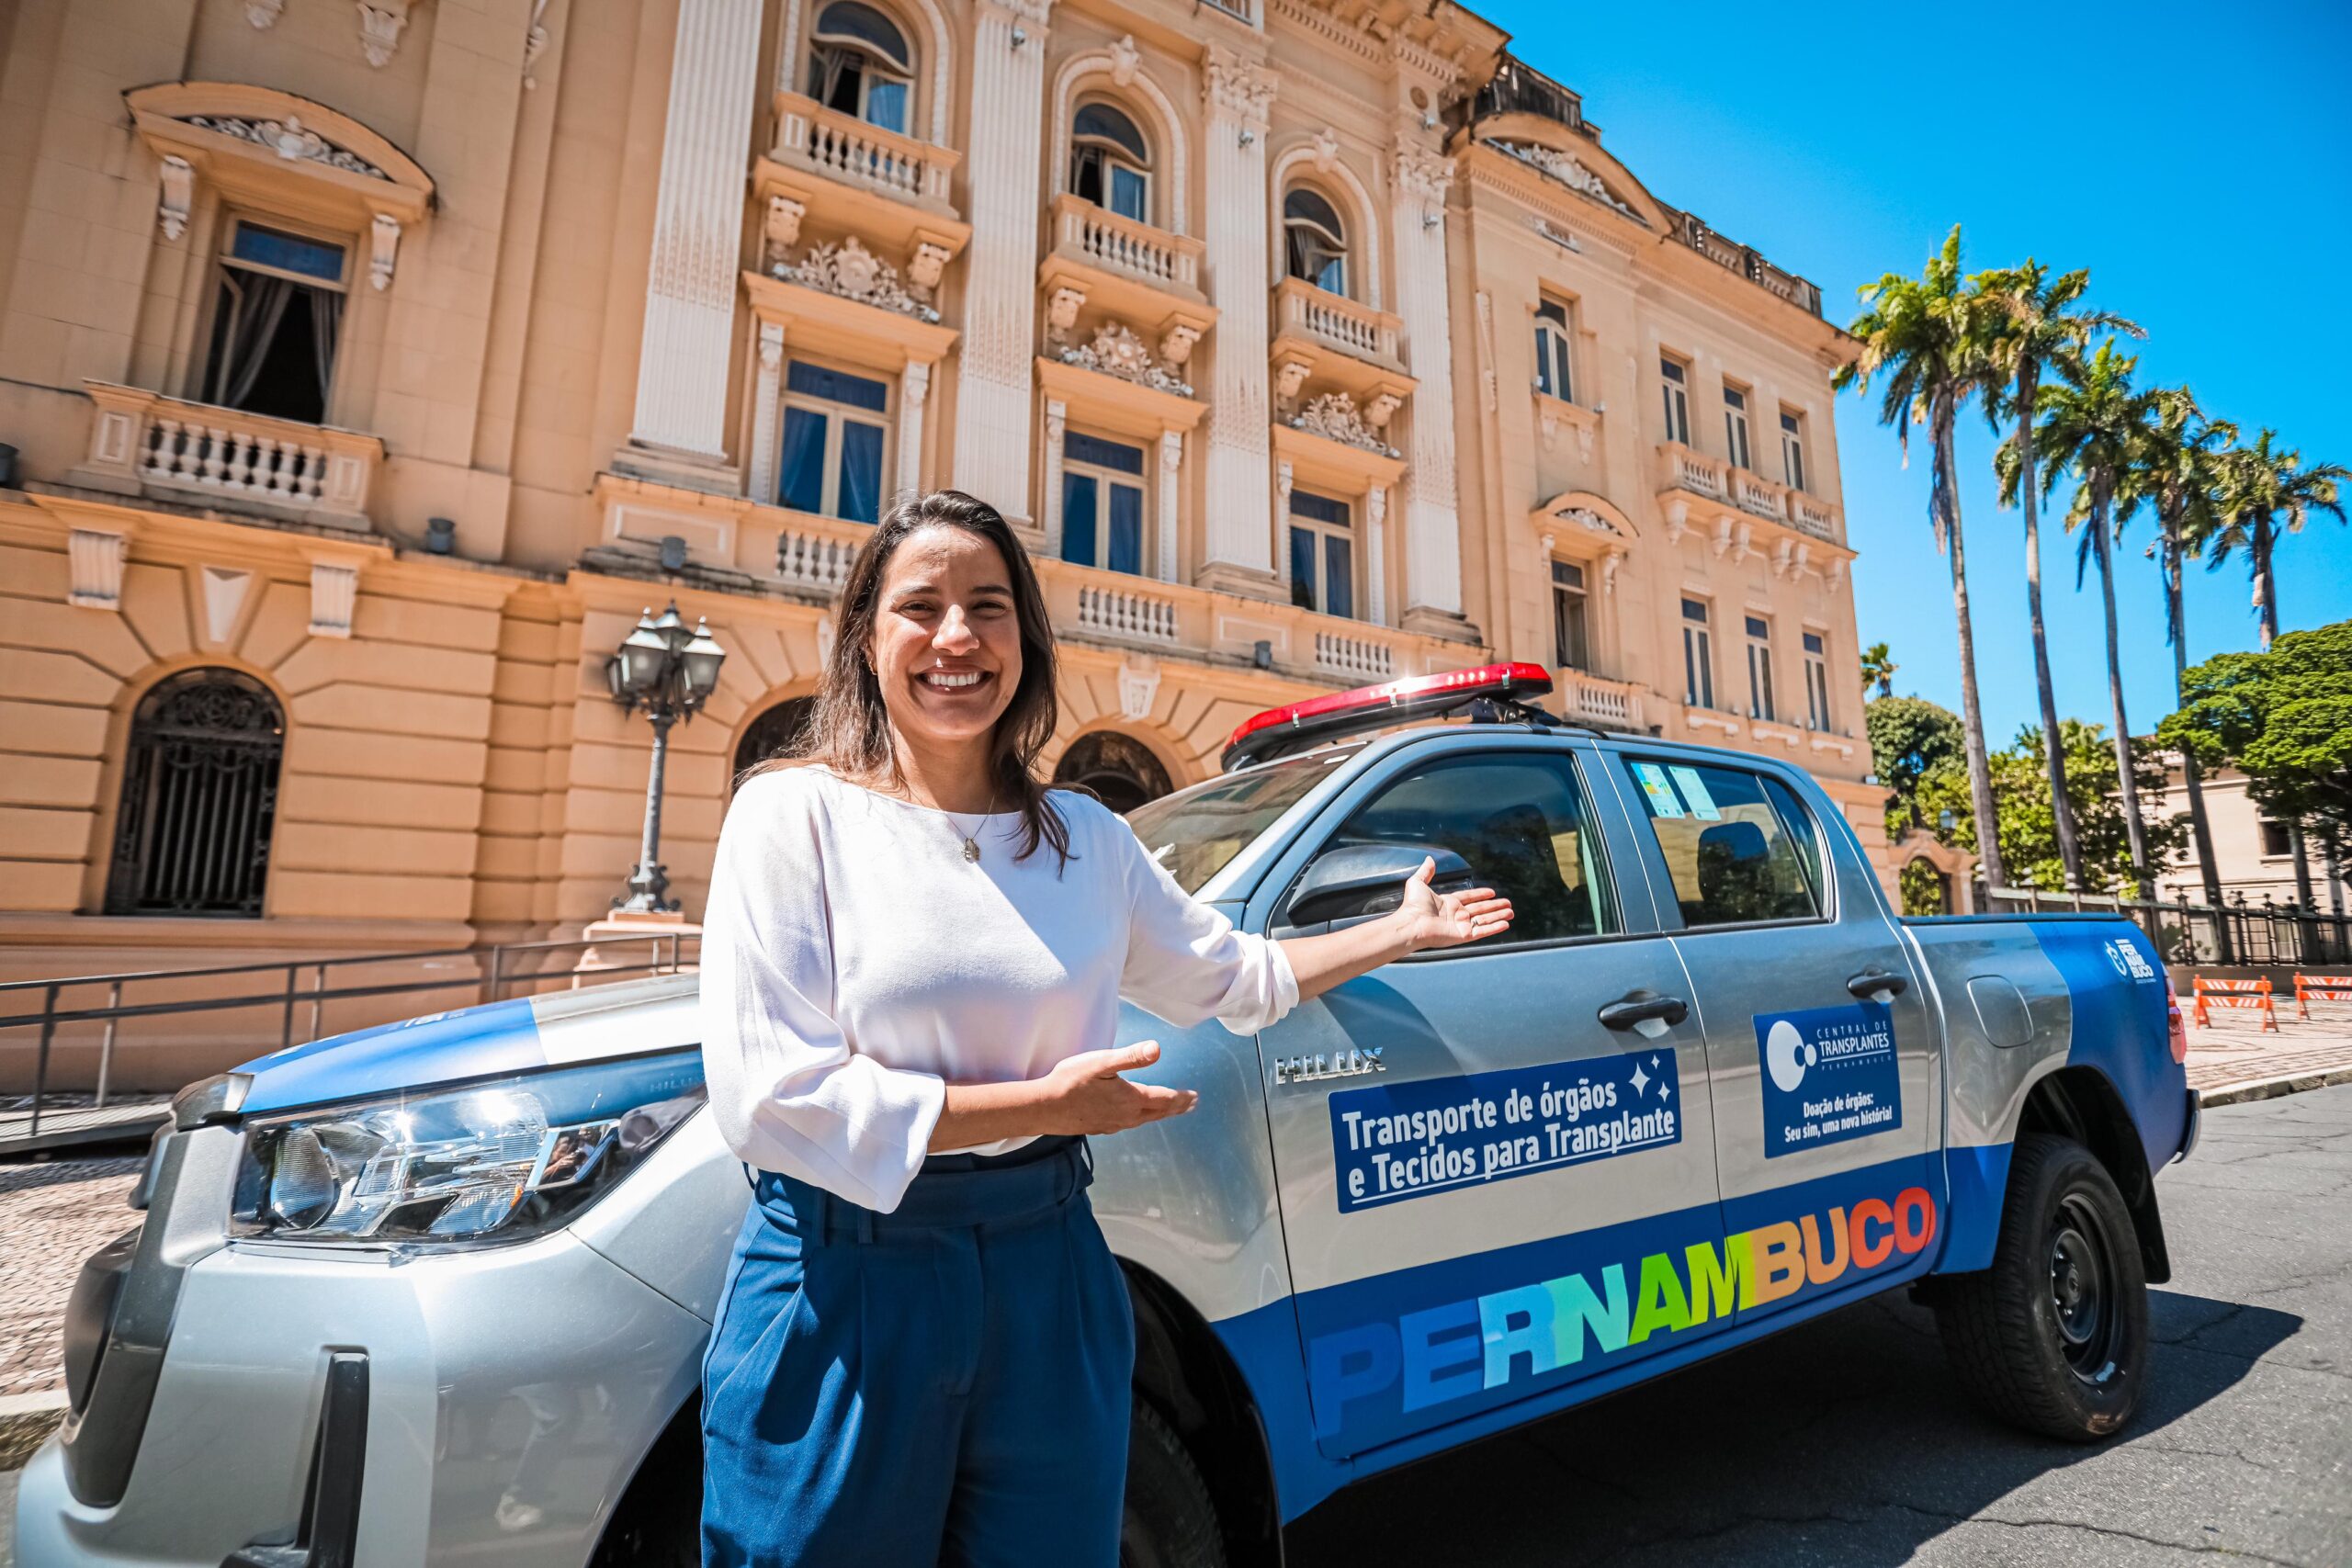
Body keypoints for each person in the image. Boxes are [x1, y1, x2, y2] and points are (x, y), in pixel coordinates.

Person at [697, 490, 1513, 1567]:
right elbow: (769, 1099)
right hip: (849, 1278)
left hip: (1051, 1267)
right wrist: (1050, 1105)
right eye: (920, 607)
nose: (956, 638)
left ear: (1025, 642)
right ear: (865, 637)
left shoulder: (1086, 836)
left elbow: (1241, 976)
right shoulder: (790, 814)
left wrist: (1400, 930)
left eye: (988, 607)